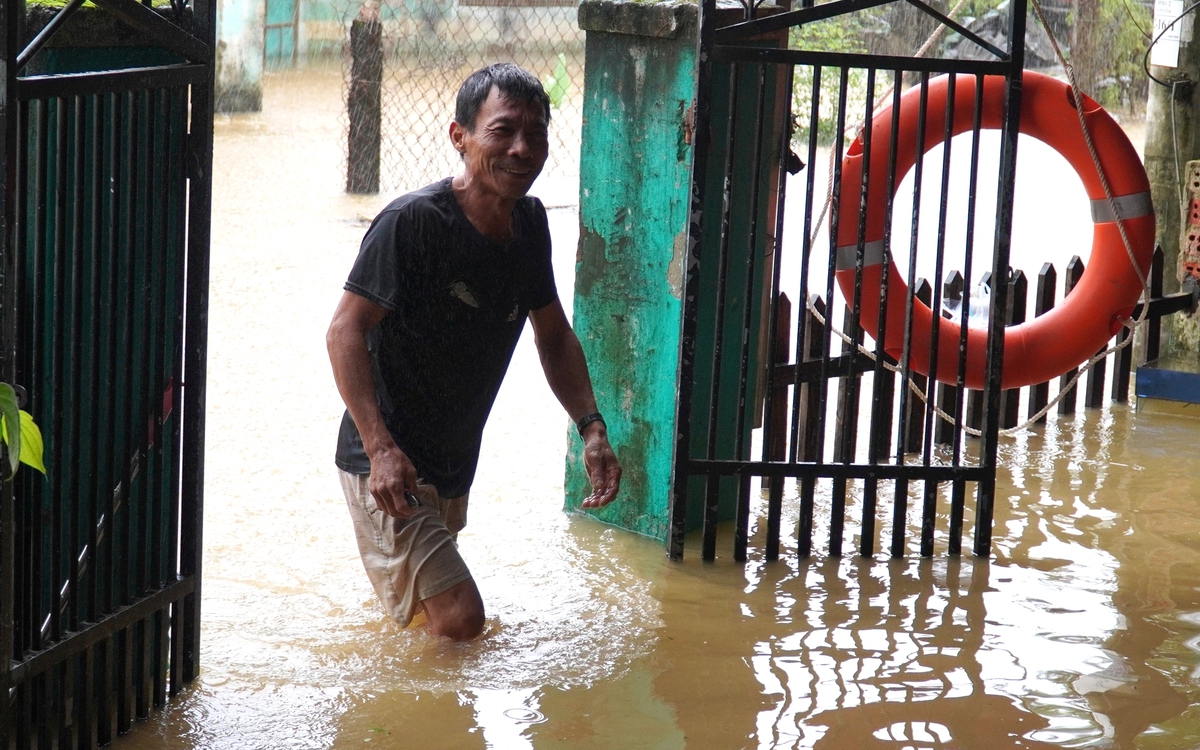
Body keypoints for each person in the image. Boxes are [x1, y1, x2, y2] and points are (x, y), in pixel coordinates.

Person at [326, 63, 622, 642]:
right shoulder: (412, 222)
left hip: (453, 464)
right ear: (459, 136)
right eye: (503, 131)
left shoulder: (530, 223)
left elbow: (553, 334)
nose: (521, 149)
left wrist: (592, 427)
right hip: (386, 463)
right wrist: (380, 448)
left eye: (535, 134)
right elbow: (343, 331)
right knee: (462, 619)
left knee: (428, 621)